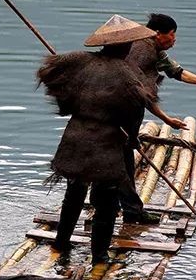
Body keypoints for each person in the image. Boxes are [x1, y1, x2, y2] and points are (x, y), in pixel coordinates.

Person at [36, 15, 159, 265]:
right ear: (126, 46)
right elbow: (136, 110)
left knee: (74, 193)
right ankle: (100, 257)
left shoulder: (78, 61)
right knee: (106, 202)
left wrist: (68, 106)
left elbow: (51, 74)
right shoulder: (127, 75)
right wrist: (132, 137)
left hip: (75, 135)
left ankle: (61, 242)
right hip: (105, 141)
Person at [119, 12, 196, 223]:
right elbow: (140, 93)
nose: (174, 40)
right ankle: (131, 211)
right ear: (158, 34)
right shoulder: (142, 53)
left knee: (122, 158)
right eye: (172, 34)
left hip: (128, 114)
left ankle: (128, 209)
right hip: (120, 113)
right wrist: (166, 119)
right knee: (123, 159)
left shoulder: (156, 51)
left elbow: (177, 72)